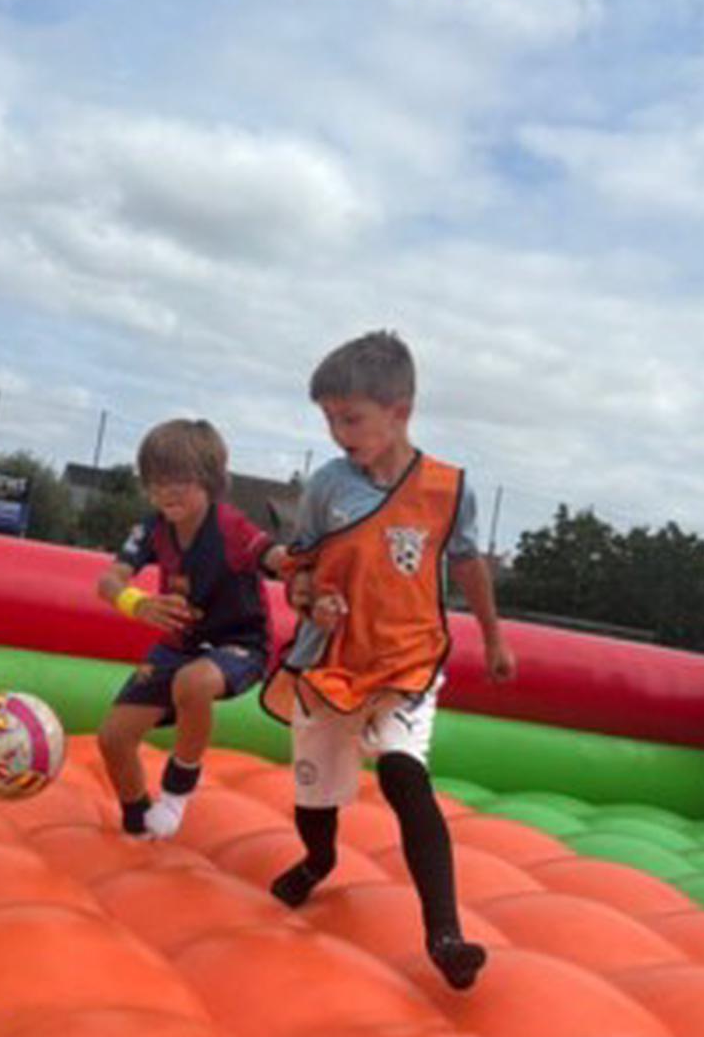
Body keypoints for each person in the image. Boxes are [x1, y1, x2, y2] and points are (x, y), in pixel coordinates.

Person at [261, 330, 515, 991]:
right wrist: (309, 600)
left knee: (406, 775)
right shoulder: (327, 488)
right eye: (329, 418)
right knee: (316, 800)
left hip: (409, 658)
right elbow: (299, 572)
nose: (339, 431)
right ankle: (318, 862)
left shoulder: (444, 489)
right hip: (333, 663)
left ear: (399, 411)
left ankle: (446, 935)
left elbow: (467, 564)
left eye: (351, 418)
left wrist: (492, 638)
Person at [97, 419, 289, 839]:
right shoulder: (152, 527)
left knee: (193, 682)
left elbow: (273, 555)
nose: (166, 491)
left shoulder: (229, 526)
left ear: (209, 480)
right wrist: (138, 603)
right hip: (179, 646)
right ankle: (138, 824)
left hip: (240, 646)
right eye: (156, 481)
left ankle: (177, 790)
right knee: (113, 738)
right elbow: (108, 582)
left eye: (179, 481)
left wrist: (303, 567)